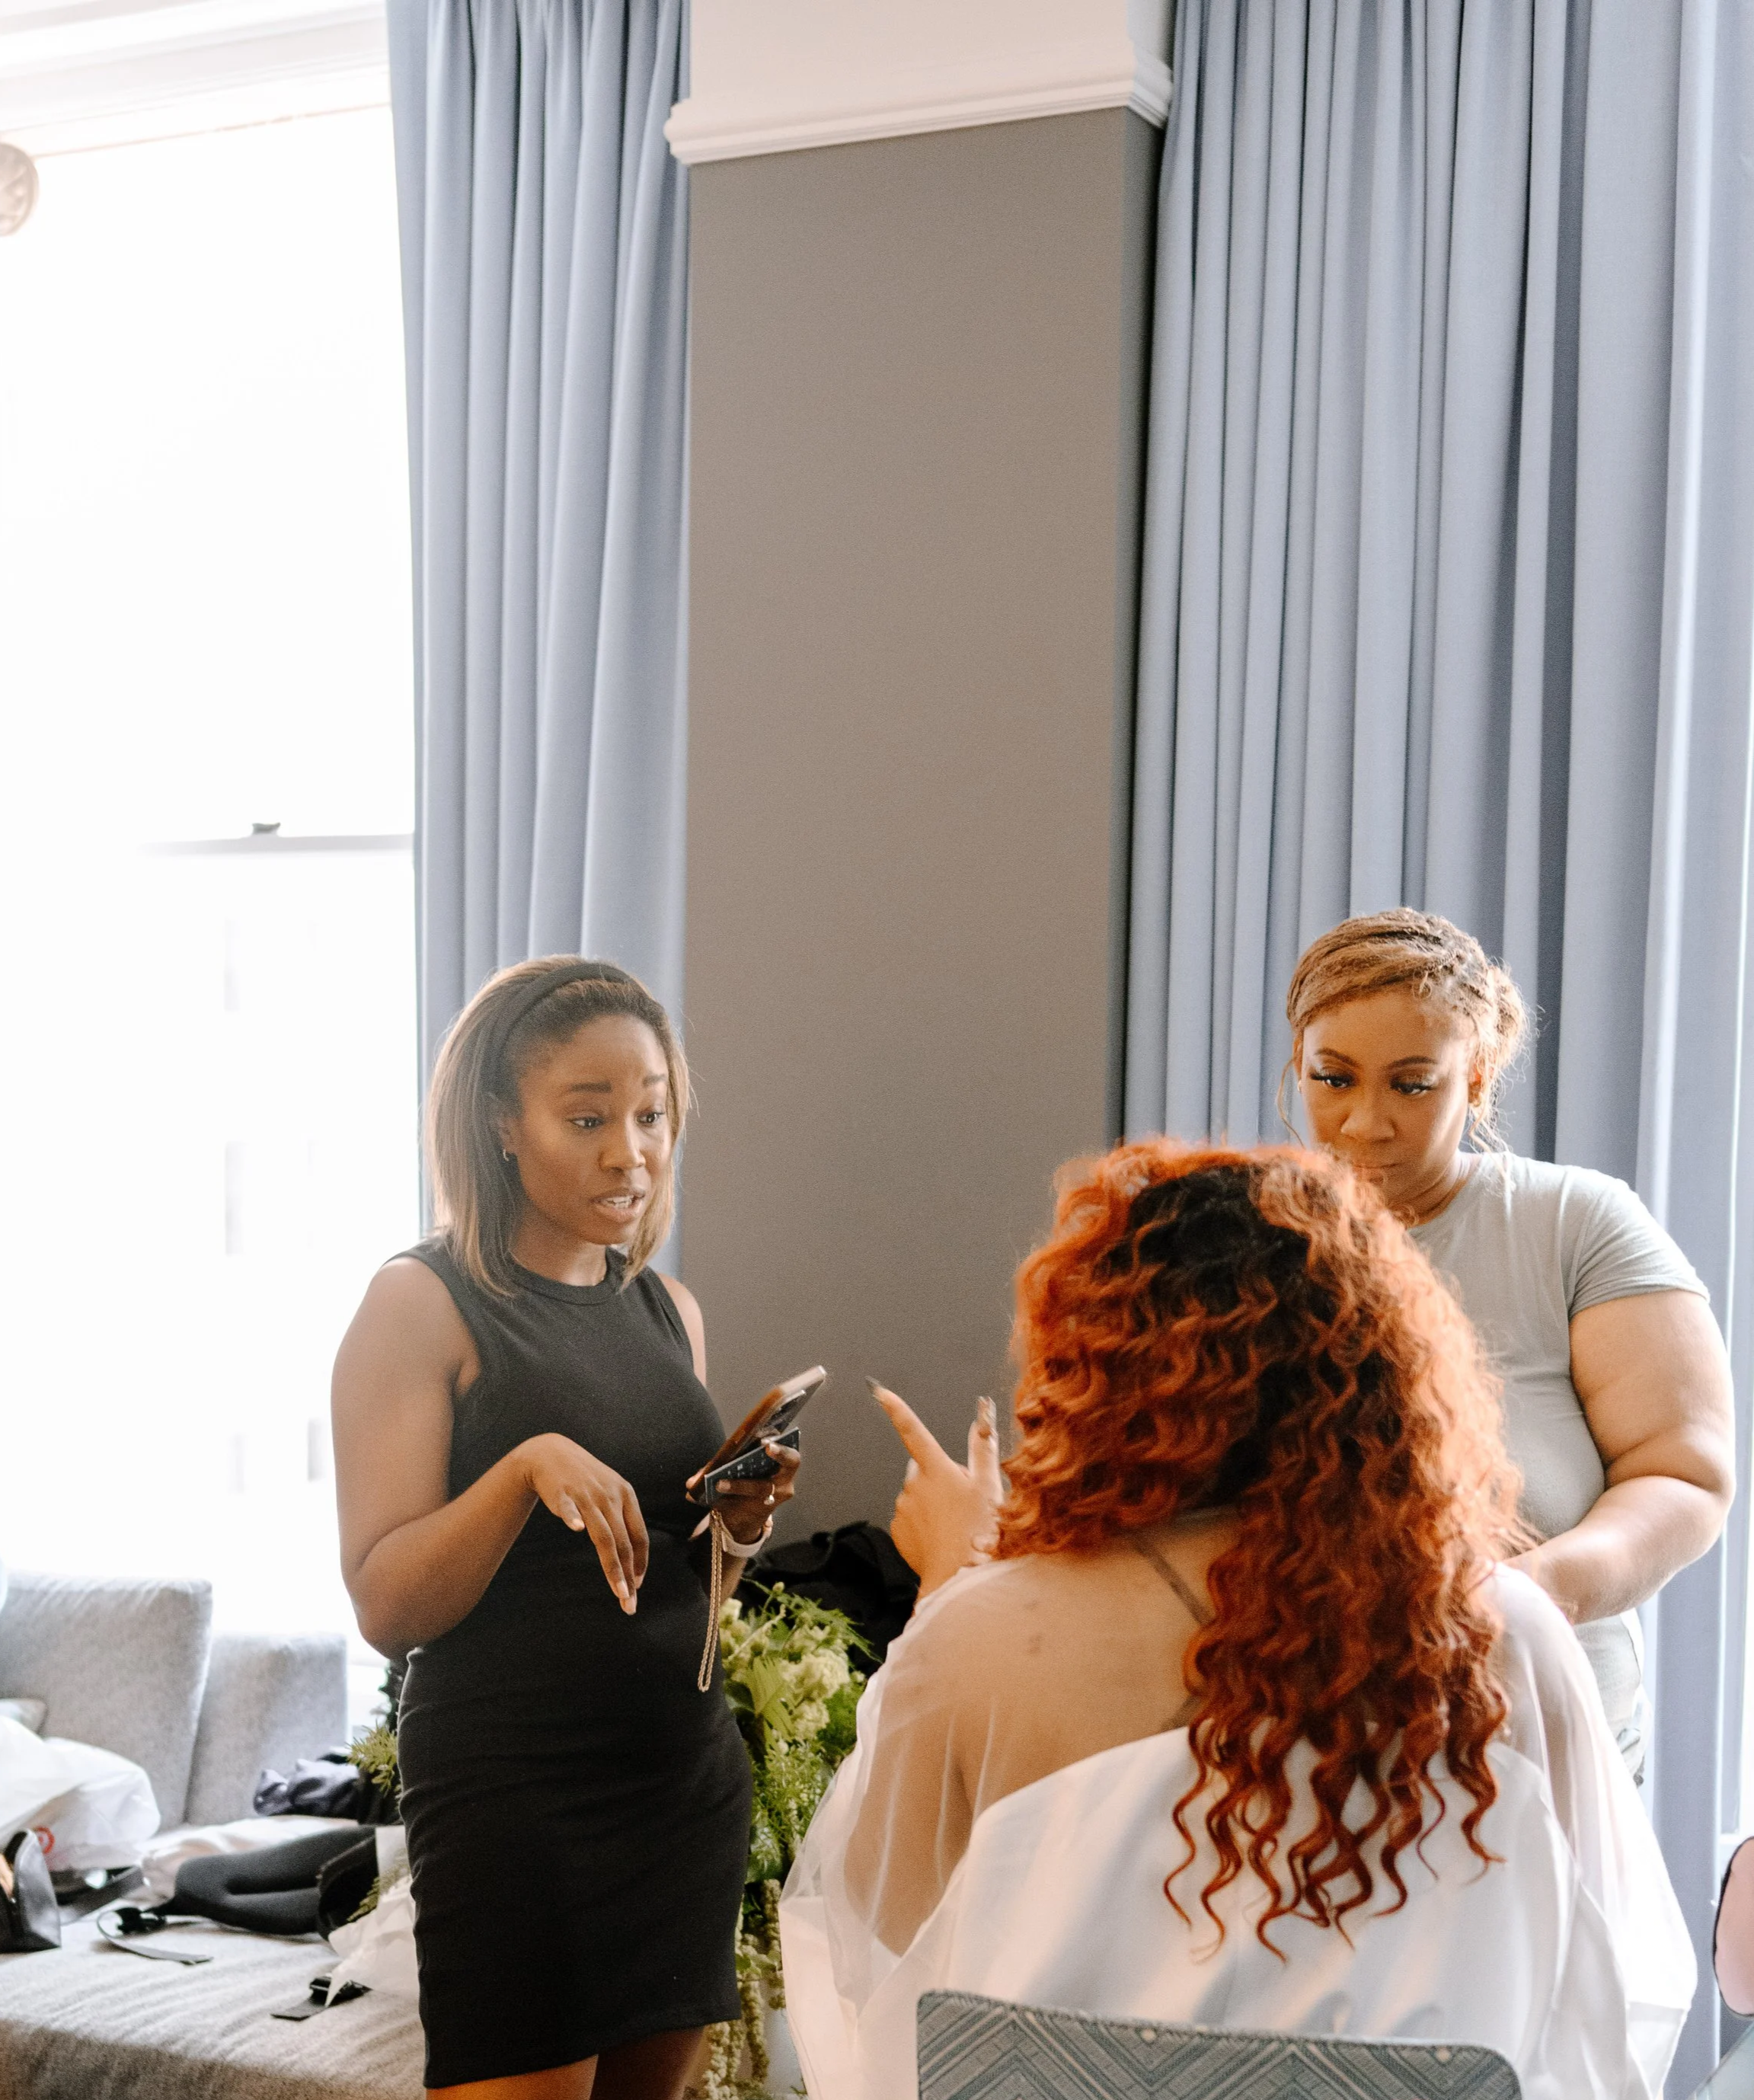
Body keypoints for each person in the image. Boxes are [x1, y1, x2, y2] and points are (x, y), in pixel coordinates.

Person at [783, 1144, 1695, 2100]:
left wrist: (953, 1585)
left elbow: (876, 1959)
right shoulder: (1502, 1634)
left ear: (1099, 1370)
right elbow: (1610, 1985)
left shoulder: (982, 1642)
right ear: (1381, 1368)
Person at [332, 957, 799, 2100]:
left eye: (649, 1114)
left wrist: (730, 1530)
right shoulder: (420, 1302)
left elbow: (669, 1585)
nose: (627, 1149)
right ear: (500, 1122)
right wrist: (519, 1471)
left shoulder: (664, 1310)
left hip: (680, 1790)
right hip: (519, 1803)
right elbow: (387, 1607)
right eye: (585, 1118)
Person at [1284, 909, 1733, 1771]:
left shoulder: (1575, 1223)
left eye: (1411, 1084)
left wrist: (1533, 1595)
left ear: (1476, 1079)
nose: (1364, 1123)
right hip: (1301, 1754)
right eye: (1331, 1079)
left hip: (1545, 1750)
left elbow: (1682, 1472)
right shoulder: (1238, 1240)